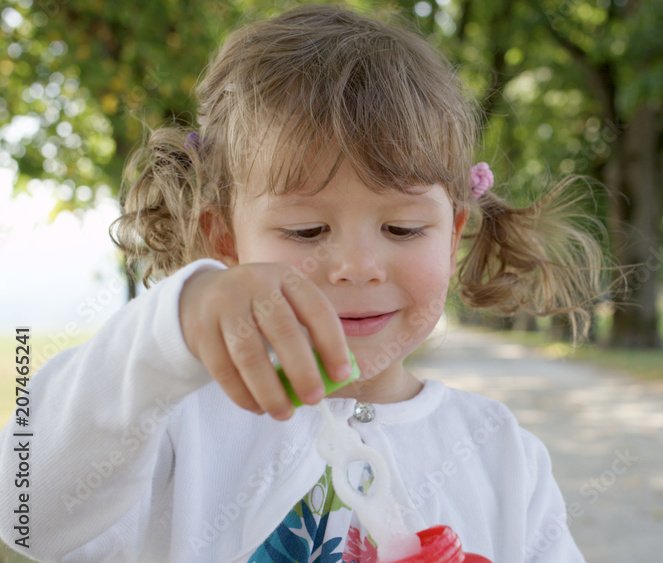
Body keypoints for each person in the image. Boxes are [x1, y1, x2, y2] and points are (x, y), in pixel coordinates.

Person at [0, 4, 611, 562]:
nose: (358, 266)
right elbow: (24, 511)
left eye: (401, 229)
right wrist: (173, 329)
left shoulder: (501, 453)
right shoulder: (178, 422)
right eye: (306, 229)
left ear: (451, 238)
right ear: (225, 243)